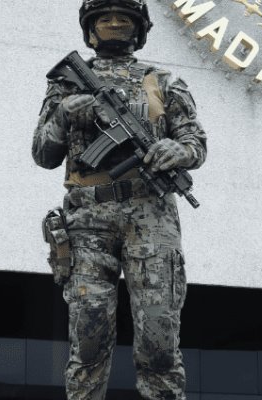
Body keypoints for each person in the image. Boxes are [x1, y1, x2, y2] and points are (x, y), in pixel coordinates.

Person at [32, 1, 207, 399]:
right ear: (90, 28)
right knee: (88, 334)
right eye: (105, 18)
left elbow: (194, 142)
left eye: (123, 18)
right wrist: (62, 116)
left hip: (151, 214)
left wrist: (178, 152)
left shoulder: (163, 81)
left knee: (160, 337)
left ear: (138, 28)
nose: (114, 24)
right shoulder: (68, 83)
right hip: (89, 216)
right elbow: (43, 154)